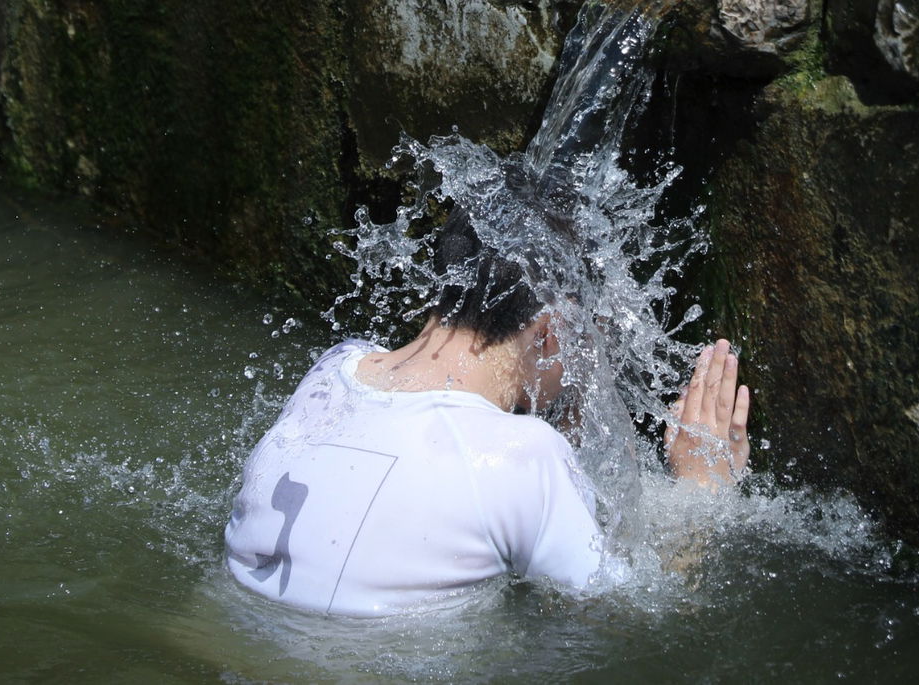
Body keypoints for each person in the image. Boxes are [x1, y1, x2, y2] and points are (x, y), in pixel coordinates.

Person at [223, 209, 750, 616]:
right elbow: (632, 620)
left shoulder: (332, 370)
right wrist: (701, 489)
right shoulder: (524, 455)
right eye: (586, 332)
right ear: (552, 331)